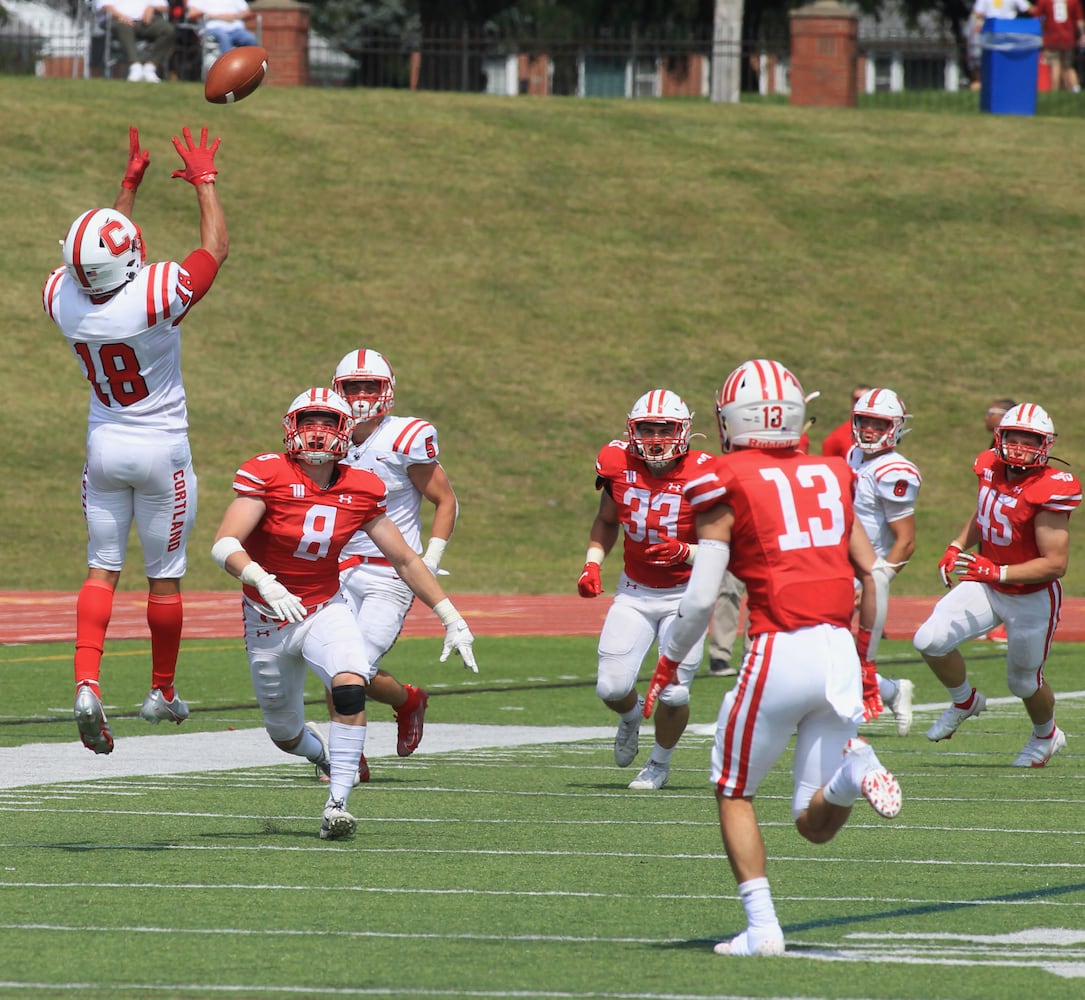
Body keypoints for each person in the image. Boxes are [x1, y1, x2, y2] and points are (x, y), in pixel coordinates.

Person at [644, 359, 901, 957]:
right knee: (812, 825)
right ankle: (853, 772)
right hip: (838, 648)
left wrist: (669, 660)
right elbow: (875, 578)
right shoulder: (834, 472)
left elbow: (704, 594)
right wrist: (866, 661)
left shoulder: (723, 476)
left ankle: (763, 930)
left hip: (779, 645)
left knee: (732, 789)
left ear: (731, 417)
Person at [210, 388, 477, 840]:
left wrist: (451, 615)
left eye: (327, 422)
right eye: (308, 421)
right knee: (284, 733)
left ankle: (337, 804)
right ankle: (322, 755)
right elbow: (224, 544)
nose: (317, 432)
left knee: (351, 682)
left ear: (345, 431)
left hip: (322, 609)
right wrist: (263, 579)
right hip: (268, 619)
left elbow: (407, 560)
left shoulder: (362, 485)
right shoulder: (267, 472)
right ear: (291, 427)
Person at [43, 125, 228, 755]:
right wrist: (204, 181)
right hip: (160, 449)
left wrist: (125, 190)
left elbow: (97, 265)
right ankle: (161, 689)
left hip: (104, 448)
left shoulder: (64, 303)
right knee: (164, 578)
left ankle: (87, 682)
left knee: (101, 570)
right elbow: (215, 250)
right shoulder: (150, 297)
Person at [316, 348, 458, 783]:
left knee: (356, 667)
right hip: (336, 568)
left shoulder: (406, 437)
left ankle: (405, 700)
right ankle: (351, 757)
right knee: (332, 663)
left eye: (369, 386)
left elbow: (445, 499)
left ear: (387, 391)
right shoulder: (323, 434)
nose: (360, 396)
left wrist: (430, 556)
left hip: (388, 573)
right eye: (352, 387)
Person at [914, 403, 1080, 767]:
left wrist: (998, 572)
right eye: (1014, 437)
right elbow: (986, 511)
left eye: (1030, 439)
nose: (1020, 446)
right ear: (999, 437)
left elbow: (1055, 564)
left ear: (1046, 444)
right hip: (988, 581)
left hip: (1029, 595)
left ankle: (1046, 734)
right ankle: (964, 700)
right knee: (929, 640)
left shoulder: (1051, 488)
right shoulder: (989, 465)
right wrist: (957, 545)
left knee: (1023, 683)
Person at [576, 389, 712, 791]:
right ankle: (631, 716)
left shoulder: (706, 473)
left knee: (672, 692)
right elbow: (606, 520)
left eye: (664, 429)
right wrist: (591, 563)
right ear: (631, 430)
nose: (655, 438)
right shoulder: (617, 462)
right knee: (612, 687)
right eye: (647, 429)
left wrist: (686, 552)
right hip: (635, 591)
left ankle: (659, 763)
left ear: (683, 430)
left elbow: (730, 548)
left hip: (689, 592)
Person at [848, 388, 920, 737]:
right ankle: (892, 690)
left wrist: (874, 583)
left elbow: (905, 542)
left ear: (895, 427)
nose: (870, 430)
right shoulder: (855, 456)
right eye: (864, 421)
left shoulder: (895, 470)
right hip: (837, 565)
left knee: (831, 649)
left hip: (865, 572)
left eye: (879, 423)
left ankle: (850, 714)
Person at [96, 0, 176, 82]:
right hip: (118, 20)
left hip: (145, 22)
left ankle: (150, 67)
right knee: (124, 27)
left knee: (168, 30)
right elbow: (105, 6)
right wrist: (121, 16)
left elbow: (164, 6)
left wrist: (151, 8)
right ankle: (135, 66)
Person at [1030, 0, 1084, 92]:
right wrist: (1082, 34)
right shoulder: (1073, 1)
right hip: (1069, 38)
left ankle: (1055, 90)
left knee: (1055, 65)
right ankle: (1075, 90)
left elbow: (1037, 19)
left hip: (1052, 37)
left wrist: (1040, 34)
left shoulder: (1044, 1)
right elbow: (1079, 21)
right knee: (1068, 66)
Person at [819, 384, 871, 459]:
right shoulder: (838, 437)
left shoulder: (884, 432)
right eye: (857, 399)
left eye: (867, 399)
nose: (862, 402)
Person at [187, 0, 257, 54]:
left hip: (235, 29)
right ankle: (228, 67)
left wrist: (234, 16)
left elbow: (247, 11)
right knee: (224, 37)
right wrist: (219, 16)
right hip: (212, 28)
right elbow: (192, 13)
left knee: (250, 39)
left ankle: (251, 68)